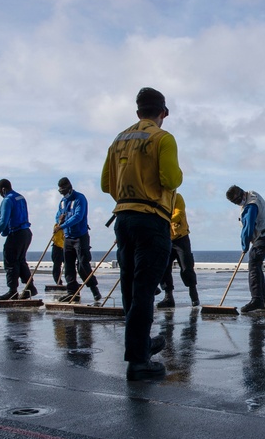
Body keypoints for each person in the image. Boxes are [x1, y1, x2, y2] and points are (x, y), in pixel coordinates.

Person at [101, 87, 182, 380]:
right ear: (164, 113)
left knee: (130, 289)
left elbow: (106, 184)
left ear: (137, 113)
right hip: (151, 219)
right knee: (145, 290)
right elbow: (171, 179)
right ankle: (138, 362)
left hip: (123, 219)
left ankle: (141, 345)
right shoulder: (163, 138)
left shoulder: (118, 139)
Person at [226, 185, 265, 313]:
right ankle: (263, 301)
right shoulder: (251, 194)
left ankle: (257, 300)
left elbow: (247, 228)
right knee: (257, 266)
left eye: (237, 200)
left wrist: (244, 246)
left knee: (253, 265)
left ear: (242, 194)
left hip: (263, 236)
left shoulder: (251, 206)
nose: (238, 204)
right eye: (234, 203)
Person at [55, 177, 102, 303]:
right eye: (61, 192)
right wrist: (59, 220)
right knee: (68, 266)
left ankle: (94, 289)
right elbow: (58, 215)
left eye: (64, 191)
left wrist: (62, 226)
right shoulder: (62, 202)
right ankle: (72, 292)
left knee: (82, 265)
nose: (63, 194)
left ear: (69, 188)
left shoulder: (80, 198)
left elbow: (78, 216)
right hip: (68, 238)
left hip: (80, 237)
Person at [0, 179, 36, 300]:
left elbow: (3, 220)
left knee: (10, 262)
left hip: (16, 233)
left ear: (3, 189)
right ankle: (30, 287)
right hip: (26, 233)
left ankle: (12, 291)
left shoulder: (7, 200)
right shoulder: (20, 197)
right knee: (20, 261)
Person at [157, 193, 200, 308]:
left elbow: (179, 214)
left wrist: (162, 219)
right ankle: (168, 297)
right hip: (165, 238)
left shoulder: (177, 197)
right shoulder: (157, 198)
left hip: (181, 238)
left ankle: (193, 293)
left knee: (186, 266)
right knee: (164, 268)